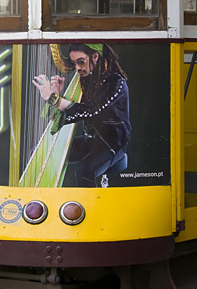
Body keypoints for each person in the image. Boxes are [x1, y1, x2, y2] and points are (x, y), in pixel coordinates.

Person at [31, 43, 131, 187]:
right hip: (90, 140)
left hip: (112, 143)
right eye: (74, 63)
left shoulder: (116, 82)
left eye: (81, 61)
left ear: (95, 57)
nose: (77, 67)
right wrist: (59, 94)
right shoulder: (86, 79)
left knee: (84, 172)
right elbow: (62, 117)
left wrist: (53, 98)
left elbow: (89, 111)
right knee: (38, 154)